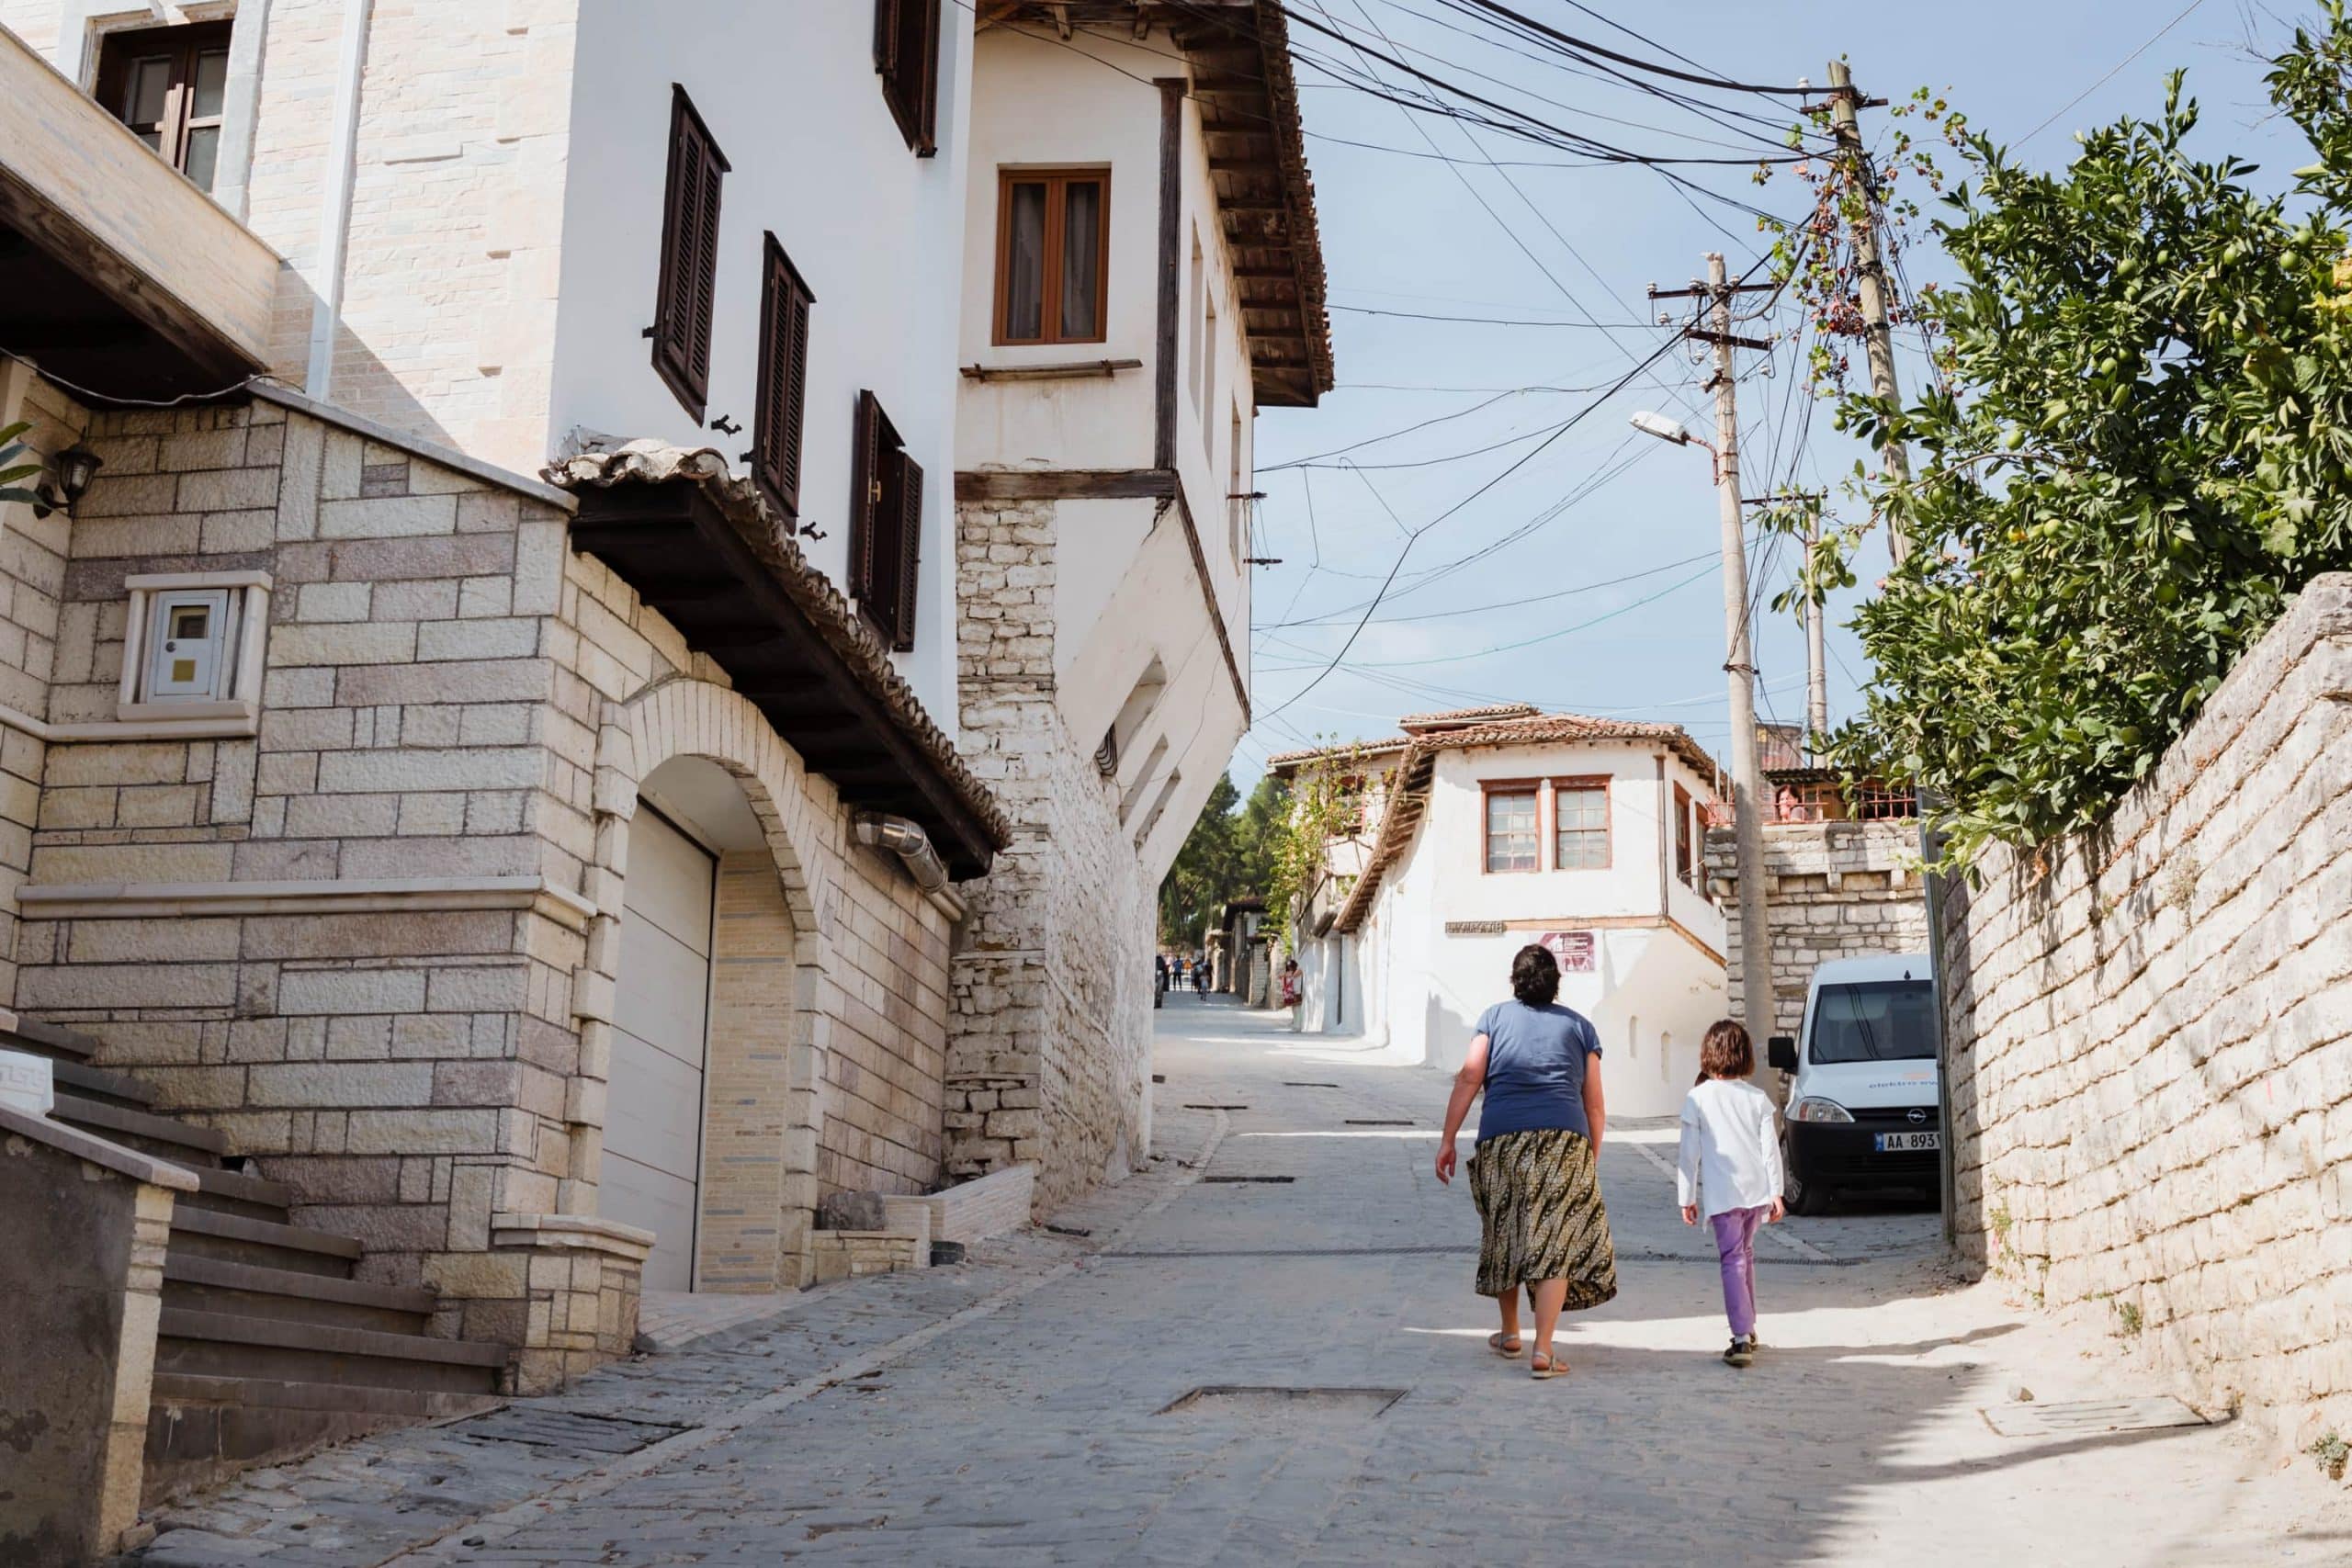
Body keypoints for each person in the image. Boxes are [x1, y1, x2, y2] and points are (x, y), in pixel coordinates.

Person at [1434, 942, 1616, 1380]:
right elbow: (1594, 1105)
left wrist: (1447, 1139)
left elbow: (1469, 1076)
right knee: (1554, 1242)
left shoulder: (1493, 1019)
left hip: (1503, 1139)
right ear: (1556, 982)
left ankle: (1510, 1331)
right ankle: (1544, 1349)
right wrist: (1590, 1154)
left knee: (1506, 1229)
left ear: (1514, 981)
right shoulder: (1580, 1028)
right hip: (1564, 1141)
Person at [1676, 1019, 1786, 1369]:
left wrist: (1686, 1196)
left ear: (1708, 1053)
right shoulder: (1758, 1099)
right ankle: (1749, 1326)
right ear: (1745, 1055)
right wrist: (1776, 1192)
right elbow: (1771, 1150)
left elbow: (1688, 1154)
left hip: (1724, 1196)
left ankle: (1740, 1338)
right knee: (1746, 1254)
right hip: (1756, 1194)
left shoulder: (1698, 1098)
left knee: (1732, 1259)